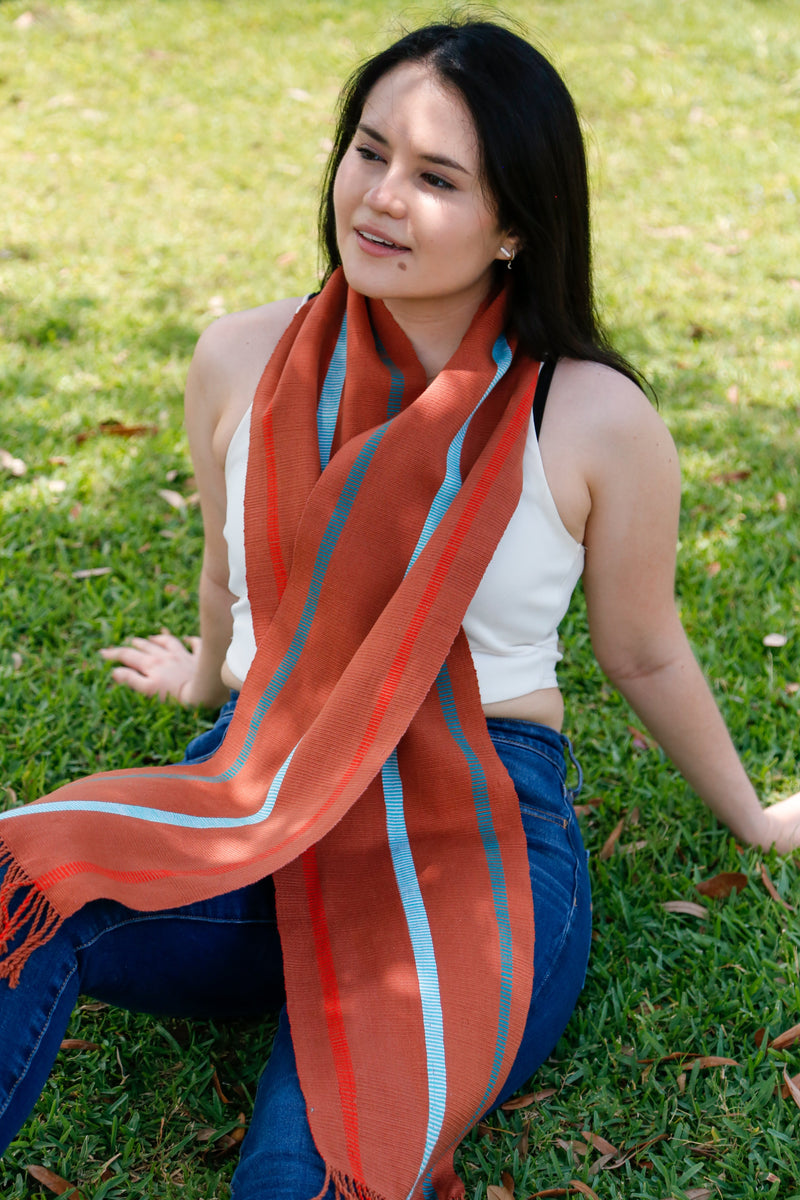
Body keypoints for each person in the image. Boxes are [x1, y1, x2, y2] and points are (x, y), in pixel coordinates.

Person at [1, 16, 799, 1200]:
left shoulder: (587, 417)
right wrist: (210, 672)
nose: (379, 198)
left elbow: (641, 649)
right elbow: (231, 567)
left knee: (305, 1168)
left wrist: (751, 820)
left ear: (517, 223)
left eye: (435, 178)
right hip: (258, 787)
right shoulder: (240, 356)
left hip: (475, 825)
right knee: (20, 878)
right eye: (367, 152)